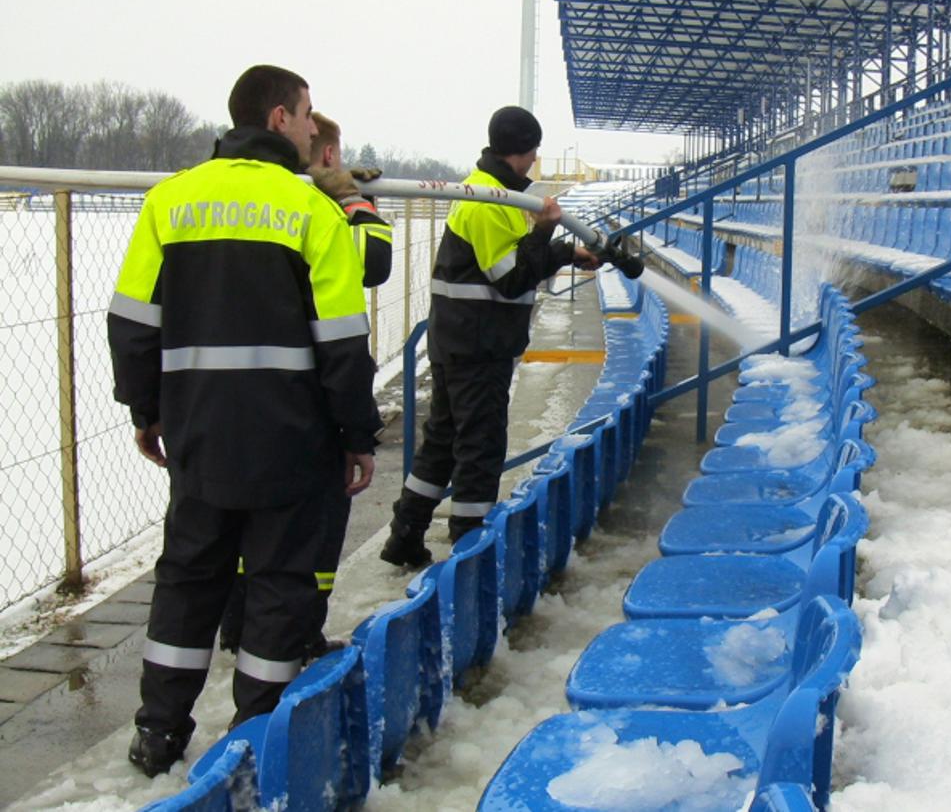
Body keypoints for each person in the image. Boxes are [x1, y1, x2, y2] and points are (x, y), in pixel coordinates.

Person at [108, 64, 381, 777]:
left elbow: (132, 322)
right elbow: (344, 344)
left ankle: (159, 730)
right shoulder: (313, 212)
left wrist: (147, 410)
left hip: (197, 435)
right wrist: (358, 434)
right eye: (307, 112)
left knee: (189, 577)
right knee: (280, 582)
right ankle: (254, 736)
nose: (313, 124)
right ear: (280, 118)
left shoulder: (171, 201)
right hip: (293, 441)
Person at [380, 106, 598, 567]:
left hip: (462, 340)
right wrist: (549, 237)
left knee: (443, 442)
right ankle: (469, 548)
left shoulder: (493, 191)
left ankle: (405, 536)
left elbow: (516, 261)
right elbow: (511, 278)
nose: (535, 161)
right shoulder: (490, 199)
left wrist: (563, 253)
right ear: (525, 151)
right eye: (534, 152)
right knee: (479, 446)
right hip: (476, 347)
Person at [217, 111, 392, 661]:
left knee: (243, 525)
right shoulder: (315, 207)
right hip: (301, 397)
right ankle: (294, 638)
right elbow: (372, 261)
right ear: (331, 158)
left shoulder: (228, 196)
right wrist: (355, 202)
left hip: (224, 394)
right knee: (307, 533)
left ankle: (240, 627)